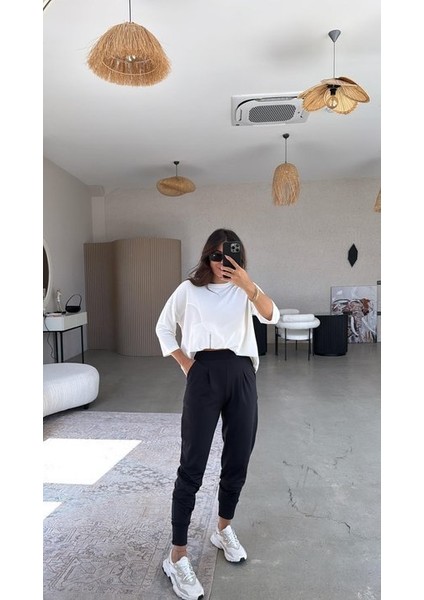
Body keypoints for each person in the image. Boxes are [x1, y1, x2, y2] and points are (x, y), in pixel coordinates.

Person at [155, 228, 279, 600]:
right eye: (217, 256)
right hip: (204, 374)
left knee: (238, 458)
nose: (223, 264)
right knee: (192, 463)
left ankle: (223, 529)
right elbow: (163, 328)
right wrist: (186, 363)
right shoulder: (188, 290)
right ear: (207, 257)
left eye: (230, 257)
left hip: (242, 374)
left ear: (239, 259)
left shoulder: (245, 290)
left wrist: (249, 285)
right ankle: (177, 556)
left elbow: (271, 316)